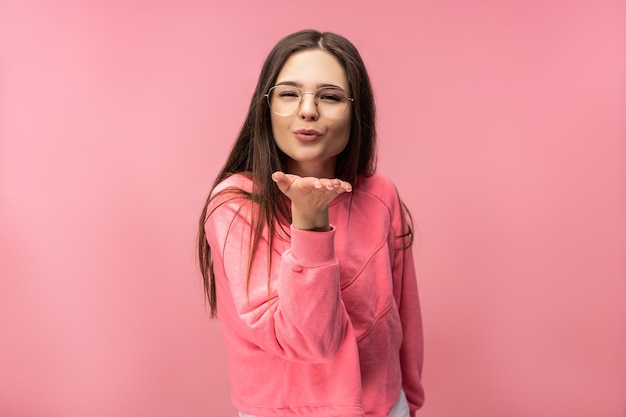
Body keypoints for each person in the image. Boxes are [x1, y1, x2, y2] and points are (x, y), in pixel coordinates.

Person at [197, 29, 425, 417]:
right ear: (265, 107)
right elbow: (309, 343)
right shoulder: (234, 204)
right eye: (289, 94)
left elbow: (401, 313)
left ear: (357, 111)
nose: (308, 110)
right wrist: (310, 224)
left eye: (330, 97)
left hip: (386, 408)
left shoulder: (380, 195)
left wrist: (408, 400)